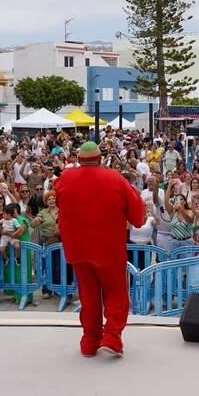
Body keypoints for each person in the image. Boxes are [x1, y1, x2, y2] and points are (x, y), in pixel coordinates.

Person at [54, 141, 144, 358]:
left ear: (79, 160)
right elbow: (138, 217)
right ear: (100, 158)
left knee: (88, 295)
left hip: (78, 249)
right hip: (108, 248)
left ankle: (89, 341)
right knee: (116, 293)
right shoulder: (115, 178)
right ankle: (112, 336)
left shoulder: (64, 179)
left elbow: (60, 203)